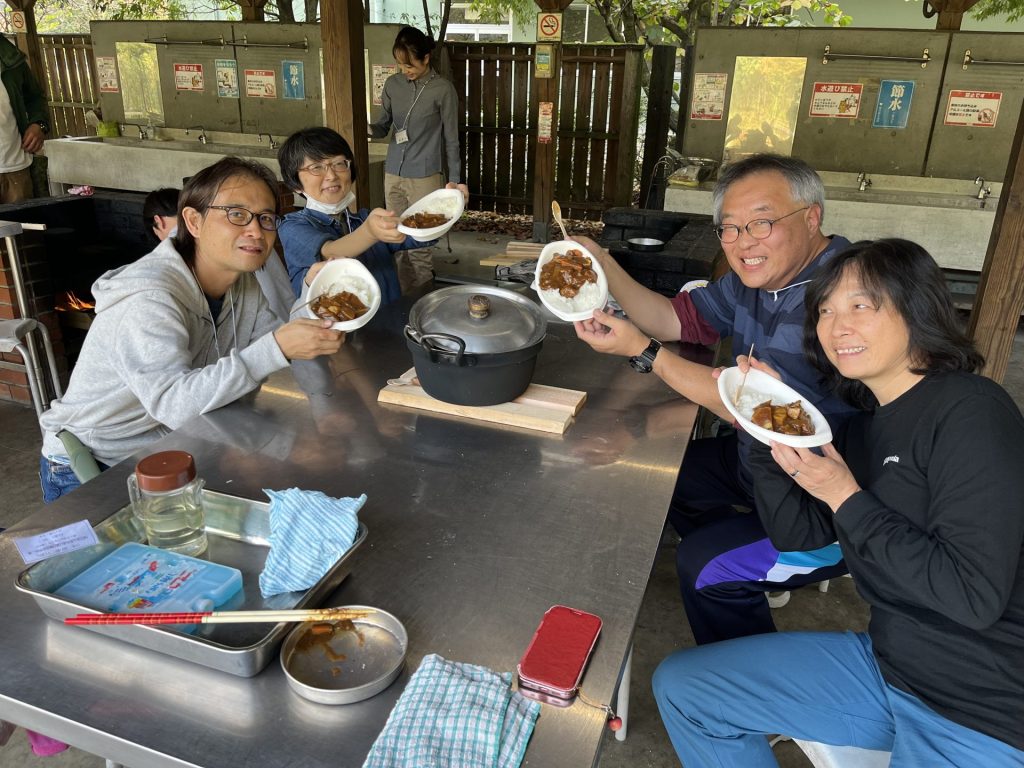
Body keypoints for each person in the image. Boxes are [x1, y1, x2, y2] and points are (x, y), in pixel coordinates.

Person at [653, 238, 1024, 766]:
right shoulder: (867, 424)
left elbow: (971, 597)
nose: (836, 326)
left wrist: (845, 496)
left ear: (917, 308)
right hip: (890, 667)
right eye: (825, 310)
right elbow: (798, 534)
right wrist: (761, 424)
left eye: (860, 306)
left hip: (981, 708)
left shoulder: (971, 411)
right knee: (686, 690)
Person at [572, 154, 856, 644]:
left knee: (705, 566)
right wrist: (604, 263)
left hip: (828, 501)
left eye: (762, 222)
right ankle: (753, 562)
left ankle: (749, 677)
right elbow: (676, 320)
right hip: (762, 464)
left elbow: (761, 413)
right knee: (662, 480)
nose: (744, 242)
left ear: (812, 217)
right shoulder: (760, 278)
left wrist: (643, 352)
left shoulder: (842, 298)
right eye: (730, 228)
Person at [38, 156, 345, 501]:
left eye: (265, 218)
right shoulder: (149, 298)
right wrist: (278, 352)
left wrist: (313, 296)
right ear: (193, 221)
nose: (256, 231)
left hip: (171, 447)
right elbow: (173, 403)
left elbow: (273, 340)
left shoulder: (240, 283)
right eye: (237, 214)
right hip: (96, 464)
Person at [277, 126, 435, 304]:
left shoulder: (364, 219)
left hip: (390, 319)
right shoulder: (292, 227)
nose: (331, 175)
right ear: (296, 183)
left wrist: (448, 208)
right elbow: (330, 252)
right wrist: (370, 232)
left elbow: (416, 233)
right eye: (316, 167)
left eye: (339, 163)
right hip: (337, 322)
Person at [369, 26, 469, 293]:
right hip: (393, 172)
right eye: (400, 64)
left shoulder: (443, 90)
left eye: (410, 64)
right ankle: (402, 298)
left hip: (425, 176)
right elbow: (383, 126)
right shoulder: (392, 85)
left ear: (426, 58)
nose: (404, 70)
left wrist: (455, 180)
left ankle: (423, 298)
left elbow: (452, 139)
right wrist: (364, 128)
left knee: (420, 245)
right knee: (396, 238)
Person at [0, 36, 48, 204]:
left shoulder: (10, 56)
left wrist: (38, 124)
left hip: (15, 168)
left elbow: (35, 97)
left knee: (24, 221)